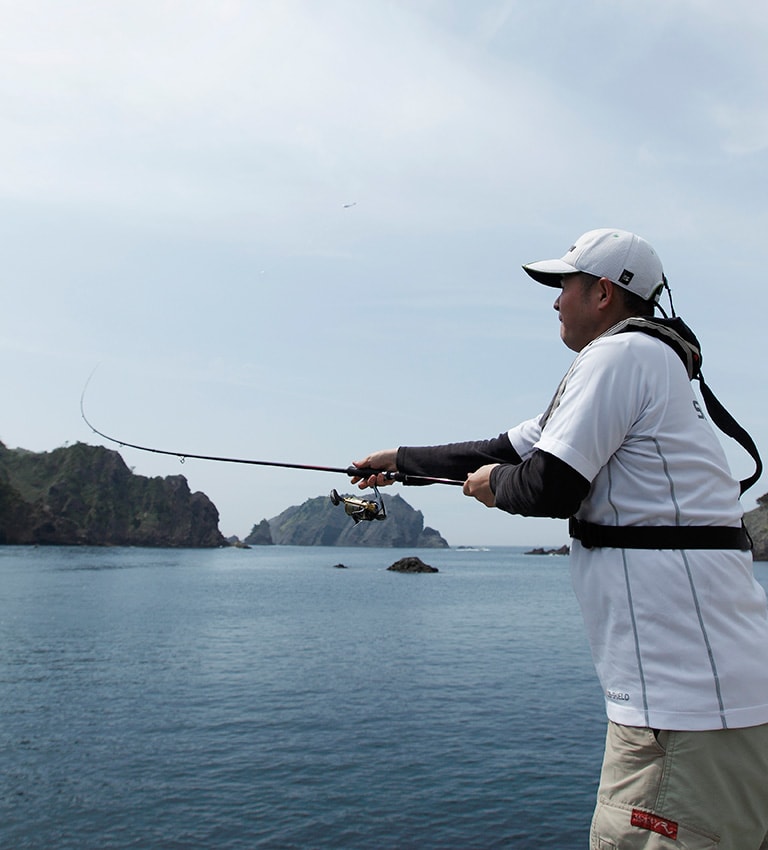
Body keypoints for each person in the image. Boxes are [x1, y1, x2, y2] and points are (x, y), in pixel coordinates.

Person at [352, 228, 768, 849]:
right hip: (717, 702)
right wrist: (400, 459)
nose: (554, 301)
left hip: (682, 715)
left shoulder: (618, 358)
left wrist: (496, 487)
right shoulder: (645, 365)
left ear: (603, 293)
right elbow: (505, 447)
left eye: (563, 286)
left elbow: (548, 484)